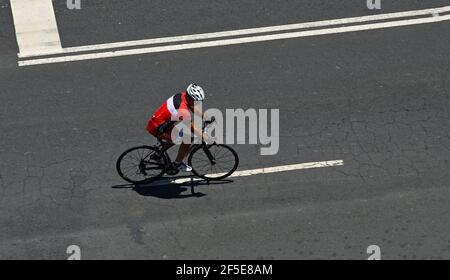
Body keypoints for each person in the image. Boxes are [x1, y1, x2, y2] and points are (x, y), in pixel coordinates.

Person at [146, 83, 209, 172]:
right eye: (196, 101)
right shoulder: (182, 110)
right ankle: (177, 163)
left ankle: (157, 155)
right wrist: (202, 135)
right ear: (190, 98)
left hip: (159, 122)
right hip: (158, 128)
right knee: (187, 139)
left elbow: (191, 106)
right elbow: (191, 127)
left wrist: (204, 117)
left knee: (177, 136)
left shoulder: (182, 95)